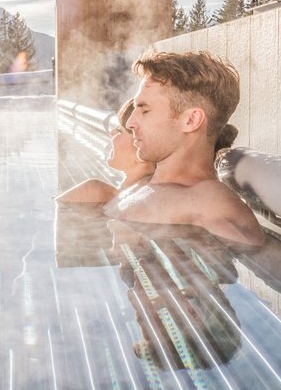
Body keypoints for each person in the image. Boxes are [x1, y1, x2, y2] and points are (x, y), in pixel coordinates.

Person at [104, 50, 264, 246]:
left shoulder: (211, 204)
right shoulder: (143, 185)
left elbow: (267, 267)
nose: (130, 123)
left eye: (145, 110)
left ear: (191, 120)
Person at [56, 98, 155, 203]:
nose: (112, 132)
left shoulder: (95, 192)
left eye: (119, 131)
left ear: (142, 149)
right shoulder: (155, 201)